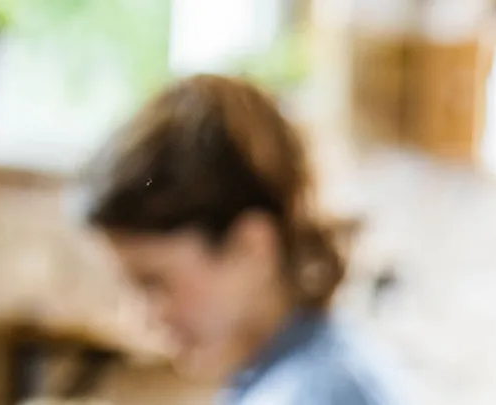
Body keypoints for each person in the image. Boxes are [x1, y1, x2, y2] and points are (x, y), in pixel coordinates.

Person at [82, 75, 399, 404]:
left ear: (251, 247)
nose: (143, 317)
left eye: (154, 283)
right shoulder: (294, 371)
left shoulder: (314, 394)